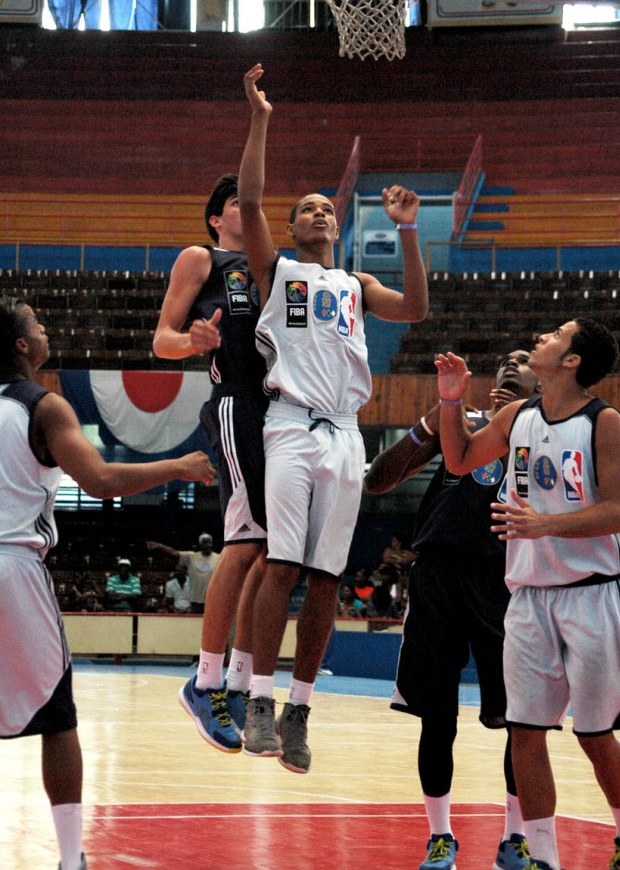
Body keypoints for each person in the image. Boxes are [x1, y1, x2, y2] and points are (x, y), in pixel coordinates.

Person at [238, 61, 428, 773]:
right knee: (281, 563)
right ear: (291, 227)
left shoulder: (355, 282)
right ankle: (257, 697)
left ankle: (299, 710)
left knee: (325, 578)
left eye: (327, 207)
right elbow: (250, 204)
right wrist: (260, 119)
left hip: (345, 432)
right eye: (307, 207)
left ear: (339, 223)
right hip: (288, 424)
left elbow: (415, 310)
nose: (318, 212)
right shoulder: (278, 271)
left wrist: (407, 231)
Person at [0, 296, 215, 870]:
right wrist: (177, 466)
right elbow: (100, 479)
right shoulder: (43, 407)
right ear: (22, 345)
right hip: (14, 567)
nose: (45, 329)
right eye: (37, 325)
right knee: (57, 715)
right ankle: (71, 858)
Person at [434, 318, 620, 870]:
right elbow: (459, 459)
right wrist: (450, 400)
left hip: (593, 595)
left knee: (595, 737)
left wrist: (546, 526)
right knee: (525, 733)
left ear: (573, 360)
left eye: (557, 335)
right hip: (529, 596)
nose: (542, 338)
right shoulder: (517, 416)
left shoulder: (604, 423)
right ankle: (544, 858)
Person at [365, 349, 539, 870]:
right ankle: (440, 837)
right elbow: (377, 480)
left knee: (520, 722)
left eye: (526, 359)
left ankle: (515, 838)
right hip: (437, 575)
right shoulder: (460, 426)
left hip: (504, 580)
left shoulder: (547, 437)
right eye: (506, 360)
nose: (512, 363)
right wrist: (428, 426)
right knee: (436, 719)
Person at [151, 173, 269, 753]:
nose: (247, 212)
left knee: (272, 551)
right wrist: (194, 342)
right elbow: (161, 341)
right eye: (234, 205)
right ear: (216, 218)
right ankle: (205, 681)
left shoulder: (276, 267)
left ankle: (240, 684)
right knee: (244, 543)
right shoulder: (203, 258)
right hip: (236, 407)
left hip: (281, 415)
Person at [146, 533, 218, 614]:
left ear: (212, 544)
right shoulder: (192, 557)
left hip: (212, 602)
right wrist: (160, 546)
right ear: (200, 544)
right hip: (195, 602)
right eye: (204, 542)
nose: (206, 545)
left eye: (208, 542)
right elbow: (174, 553)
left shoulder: (219, 558)